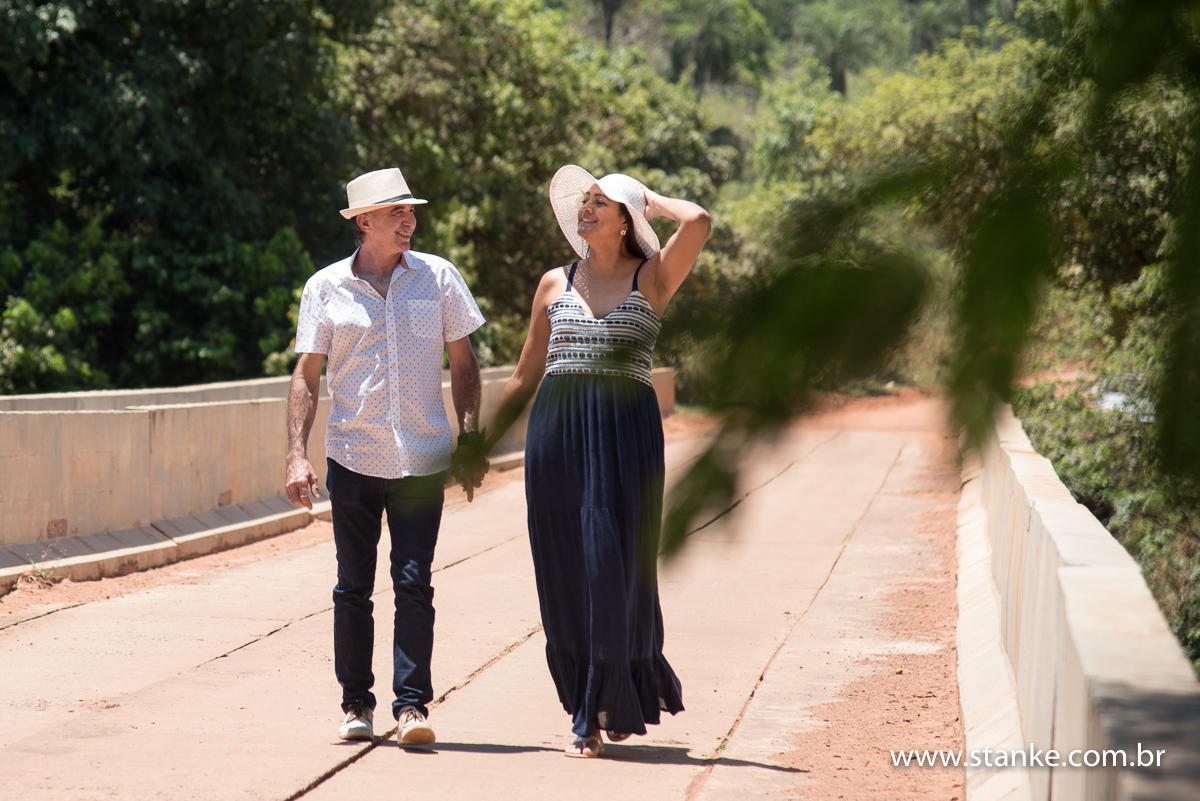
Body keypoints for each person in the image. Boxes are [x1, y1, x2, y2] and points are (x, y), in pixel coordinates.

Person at [482, 165, 711, 758]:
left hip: (624, 437)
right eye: (584, 201)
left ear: (625, 220)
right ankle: (587, 711)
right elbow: (525, 374)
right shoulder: (553, 283)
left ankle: (606, 697)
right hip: (557, 436)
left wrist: (649, 198)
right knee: (565, 571)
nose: (586, 210)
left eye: (600, 203)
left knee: (612, 568)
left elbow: (700, 221)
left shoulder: (653, 277)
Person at [285, 167, 489, 748]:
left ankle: (412, 707)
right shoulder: (323, 289)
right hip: (352, 455)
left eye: (411, 211)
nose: (410, 220)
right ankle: (356, 704)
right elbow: (306, 377)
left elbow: (465, 364)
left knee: (414, 581)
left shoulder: (439, 278)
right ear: (363, 221)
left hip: (423, 457)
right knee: (353, 586)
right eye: (397, 212)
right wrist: (297, 456)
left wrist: (469, 436)